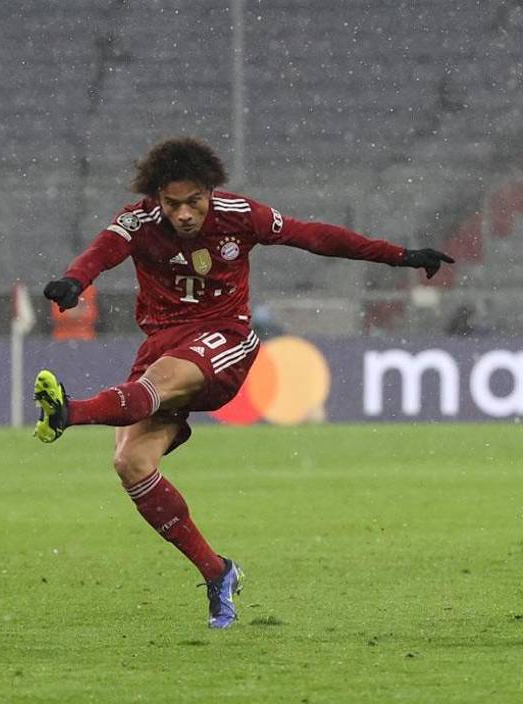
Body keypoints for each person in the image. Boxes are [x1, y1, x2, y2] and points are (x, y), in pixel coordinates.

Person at [33, 137, 453, 628]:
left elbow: (315, 236)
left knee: (156, 383)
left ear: (211, 191)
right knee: (131, 462)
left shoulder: (240, 215)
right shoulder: (138, 221)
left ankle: (70, 411)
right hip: (163, 344)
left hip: (223, 339)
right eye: (173, 204)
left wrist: (398, 256)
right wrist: (74, 281)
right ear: (157, 198)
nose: (185, 214)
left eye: (195, 201)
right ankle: (218, 572)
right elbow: (101, 253)